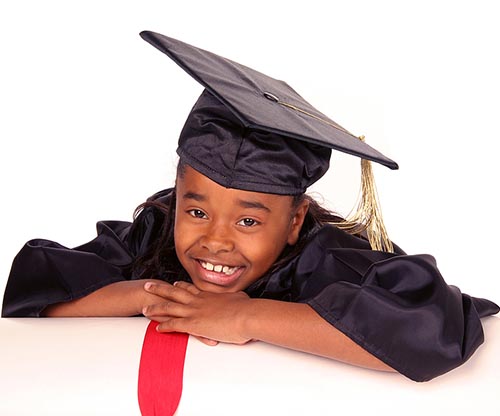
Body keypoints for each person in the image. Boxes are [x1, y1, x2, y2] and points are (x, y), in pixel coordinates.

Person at [2, 31, 498, 382]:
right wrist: (149, 296)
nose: (215, 239)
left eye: (248, 219)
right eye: (196, 211)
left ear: (294, 221)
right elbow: (40, 295)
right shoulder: (155, 231)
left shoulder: (328, 259)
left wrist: (242, 316)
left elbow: (432, 330)